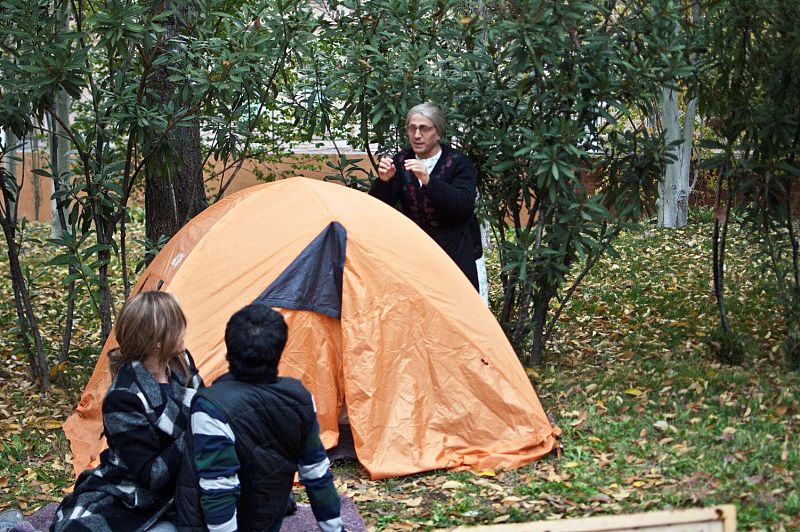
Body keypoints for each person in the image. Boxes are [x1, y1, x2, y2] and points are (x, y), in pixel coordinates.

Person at [176, 304, 343, 532]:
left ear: (229, 349)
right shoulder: (300, 398)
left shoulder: (211, 407)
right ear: (280, 350)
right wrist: (335, 529)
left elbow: (218, 493)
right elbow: (316, 474)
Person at [51, 291, 204, 532]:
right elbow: (151, 476)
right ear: (157, 341)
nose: (184, 332)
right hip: (131, 492)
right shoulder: (123, 397)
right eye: (178, 326)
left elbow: (204, 407)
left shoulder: (180, 362)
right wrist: (198, 430)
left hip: (183, 485)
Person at [370, 102, 482, 290]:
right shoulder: (401, 160)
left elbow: (463, 207)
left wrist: (429, 181)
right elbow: (378, 209)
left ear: (438, 132)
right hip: (417, 254)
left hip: (456, 253)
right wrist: (384, 182)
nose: (417, 135)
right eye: (412, 128)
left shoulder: (458, 163)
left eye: (424, 129)